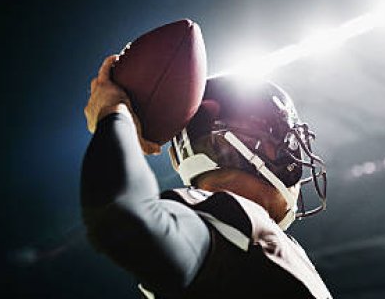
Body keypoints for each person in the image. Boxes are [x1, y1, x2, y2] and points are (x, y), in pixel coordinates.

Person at [80, 54, 332, 299]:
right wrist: (113, 111)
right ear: (242, 142)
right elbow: (121, 213)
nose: (292, 150)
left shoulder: (263, 238)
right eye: (285, 138)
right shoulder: (231, 219)